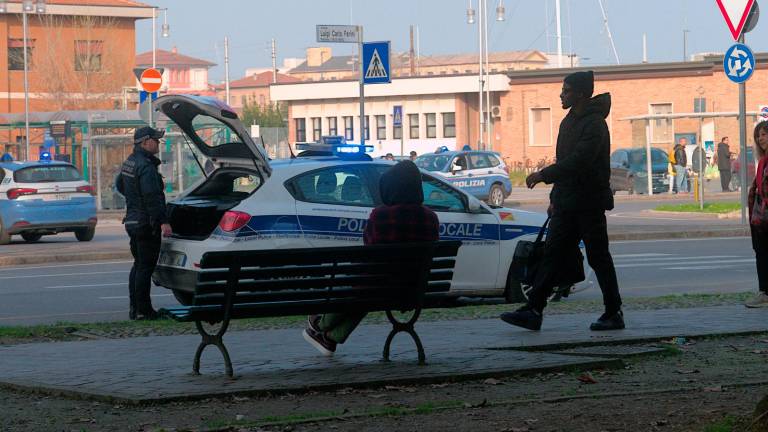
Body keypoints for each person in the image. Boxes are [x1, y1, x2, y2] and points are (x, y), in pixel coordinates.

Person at [499, 70, 623, 331]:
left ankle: (613, 312)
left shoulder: (595, 124)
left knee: (598, 258)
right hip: (567, 204)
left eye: (566, 90)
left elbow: (579, 161)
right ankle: (534, 309)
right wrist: (555, 197)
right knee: (551, 255)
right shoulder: (569, 122)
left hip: (588, 203)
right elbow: (564, 162)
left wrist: (544, 175)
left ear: (579, 93)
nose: (561, 94)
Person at [303, 160, 440, 355]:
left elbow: (369, 249)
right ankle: (329, 338)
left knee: (364, 288)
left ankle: (321, 323)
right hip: (414, 290)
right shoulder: (430, 217)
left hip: (377, 287)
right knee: (368, 289)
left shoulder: (381, 215)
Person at [116, 126, 172, 320]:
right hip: (145, 223)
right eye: (156, 140)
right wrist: (163, 222)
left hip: (132, 220)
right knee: (145, 267)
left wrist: (133, 201)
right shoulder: (146, 166)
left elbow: (119, 185)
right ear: (145, 142)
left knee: (138, 265)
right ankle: (144, 310)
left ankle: (135, 309)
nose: (158, 143)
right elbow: (152, 197)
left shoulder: (129, 162)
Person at [745, 123, 768, 308]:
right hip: (760, 219)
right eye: (758, 136)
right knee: (761, 254)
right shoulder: (763, 161)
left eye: (764, 134)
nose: (760, 139)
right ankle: (764, 293)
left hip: (764, 217)